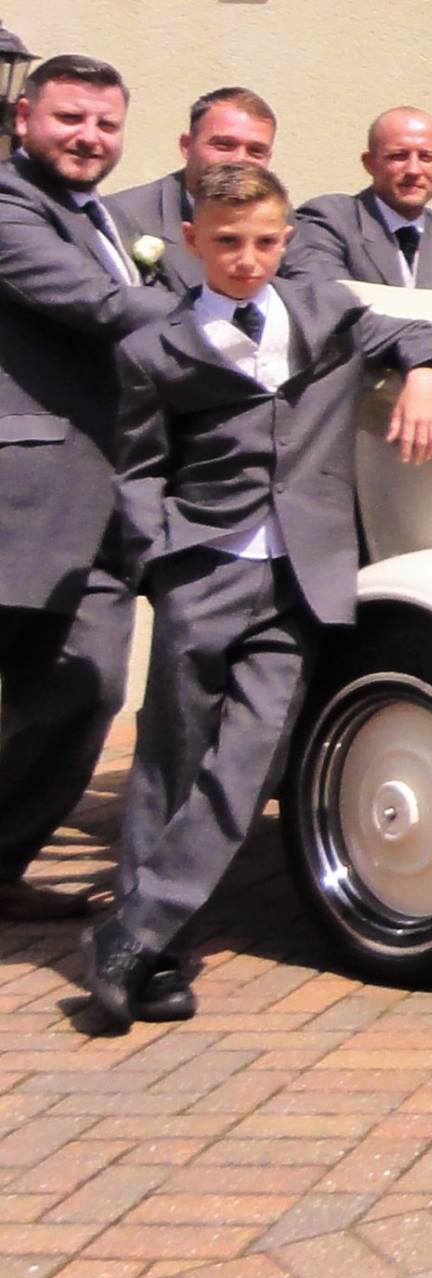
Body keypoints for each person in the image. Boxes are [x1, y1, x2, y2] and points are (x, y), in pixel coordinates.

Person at [85, 162, 432, 1034]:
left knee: (249, 761)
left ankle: (132, 930)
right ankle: (161, 952)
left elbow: (414, 326)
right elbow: (138, 468)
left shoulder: (325, 312)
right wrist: (162, 561)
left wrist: (426, 376)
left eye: (261, 242)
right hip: (204, 567)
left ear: (286, 239)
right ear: (191, 242)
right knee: (172, 757)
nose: (245, 259)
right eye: (225, 242)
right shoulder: (154, 347)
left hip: (303, 575)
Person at [0, 55, 183, 932]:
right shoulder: (7, 205)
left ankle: (0, 862)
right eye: (71, 119)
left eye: (106, 125)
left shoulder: (104, 215)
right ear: (26, 115)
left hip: (110, 499)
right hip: (22, 497)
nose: (89, 138)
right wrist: (223, 314)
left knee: (88, 682)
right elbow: (92, 303)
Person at [284, 108, 432, 299]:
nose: (413, 170)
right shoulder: (329, 220)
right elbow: (328, 303)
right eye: (398, 156)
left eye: (426, 157)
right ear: (369, 163)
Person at [103, 86, 274, 294]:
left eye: (256, 151)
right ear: (186, 146)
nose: (239, 160)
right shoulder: (122, 218)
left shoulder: (279, 220)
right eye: (224, 145)